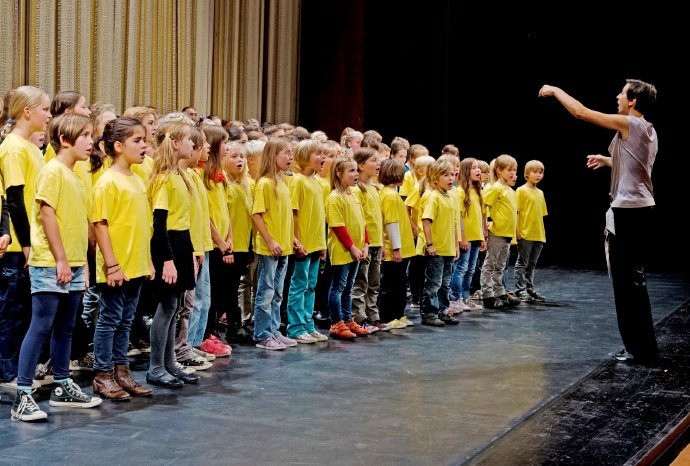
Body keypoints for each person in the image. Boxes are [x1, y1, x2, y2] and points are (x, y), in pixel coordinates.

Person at [539, 79, 660, 363]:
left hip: (629, 212)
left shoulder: (630, 123)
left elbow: (581, 112)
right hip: (637, 210)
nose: (617, 95)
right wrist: (607, 161)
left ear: (632, 101)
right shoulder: (648, 129)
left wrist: (556, 90)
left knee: (627, 283)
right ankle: (640, 347)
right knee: (631, 282)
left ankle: (641, 349)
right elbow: (638, 165)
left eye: (622, 93)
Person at [12, 114, 102, 421]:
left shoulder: (75, 175)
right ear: (65, 140)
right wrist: (62, 259)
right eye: (86, 135)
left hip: (74, 264)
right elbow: (47, 216)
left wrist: (83, 266)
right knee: (41, 326)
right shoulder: (52, 171)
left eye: (92, 135)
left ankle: (63, 383)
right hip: (51, 264)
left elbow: (78, 225)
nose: (92, 141)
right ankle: (23, 394)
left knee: (66, 327)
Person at [91, 117, 155, 400]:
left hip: (137, 264)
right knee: (110, 319)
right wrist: (112, 264)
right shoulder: (107, 182)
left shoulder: (138, 179)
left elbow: (143, 225)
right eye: (137, 141)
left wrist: (149, 260)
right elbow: (100, 224)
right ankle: (102, 375)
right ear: (118, 146)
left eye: (145, 140)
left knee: (126, 320)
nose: (144, 146)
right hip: (117, 266)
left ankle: (121, 370)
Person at [0, 86, 50, 390]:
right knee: (12, 310)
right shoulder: (14, 148)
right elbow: (15, 199)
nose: (49, 115)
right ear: (27, 112)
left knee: (24, 310)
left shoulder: (30, 147)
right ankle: (6, 371)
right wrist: (28, 242)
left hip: (32, 241)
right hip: (20, 245)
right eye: (44, 109)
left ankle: (18, 366)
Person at [145, 120, 200, 387]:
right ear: (175, 142)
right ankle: (156, 366)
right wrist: (167, 260)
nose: (193, 144)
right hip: (168, 245)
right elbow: (159, 224)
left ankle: (169, 363)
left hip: (181, 242)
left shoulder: (180, 175)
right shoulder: (165, 179)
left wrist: (188, 252)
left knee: (175, 306)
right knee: (166, 307)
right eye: (189, 139)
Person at [251, 137, 297, 350]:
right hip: (270, 247)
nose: (290, 157)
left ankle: (274, 330)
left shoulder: (283, 182)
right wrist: (270, 241)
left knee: (278, 292)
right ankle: (262, 334)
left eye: (291, 153)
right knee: (266, 291)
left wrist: (292, 239)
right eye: (286, 153)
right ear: (273, 156)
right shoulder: (265, 184)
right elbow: (257, 215)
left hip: (284, 246)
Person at [285, 139, 329, 343]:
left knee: (311, 286)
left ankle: (308, 324)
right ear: (304, 158)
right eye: (318, 154)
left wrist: (322, 245)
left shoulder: (317, 182)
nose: (323, 158)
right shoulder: (297, 181)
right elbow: (293, 213)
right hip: (303, 243)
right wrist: (296, 239)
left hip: (315, 242)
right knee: (299, 285)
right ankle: (295, 327)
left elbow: (320, 216)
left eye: (323, 154)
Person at [326, 157, 370, 339]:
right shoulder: (334, 197)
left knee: (349, 286)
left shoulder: (355, 194)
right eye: (351, 171)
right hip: (344, 250)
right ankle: (337, 323)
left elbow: (363, 222)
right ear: (338, 173)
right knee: (338, 287)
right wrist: (352, 247)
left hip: (357, 249)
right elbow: (338, 226)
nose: (355, 174)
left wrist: (365, 244)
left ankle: (348, 320)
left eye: (356, 170)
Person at [419, 159, 460, 327]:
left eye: (452, 174)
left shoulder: (451, 196)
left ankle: (443, 311)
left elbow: (455, 222)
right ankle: (429, 313)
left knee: (445, 284)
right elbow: (426, 221)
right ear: (435, 178)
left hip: (449, 248)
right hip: (437, 248)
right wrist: (430, 244)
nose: (451, 178)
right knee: (434, 283)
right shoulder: (433, 197)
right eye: (446, 175)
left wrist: (456, 245)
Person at [377, 159, 415, 329]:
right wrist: (396, 249)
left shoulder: (391, 193)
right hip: (395, 251)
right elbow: (391, 223)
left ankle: (398, 314)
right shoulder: (390, 196)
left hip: (402, 249)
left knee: (399, 284)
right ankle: (388, 317)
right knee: (390, 285)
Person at [480, 155, 522, 310]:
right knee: (490, 265)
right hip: (496, 232)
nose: (512, 173)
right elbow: (483, 205)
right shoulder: (495, 188)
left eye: (515, 170)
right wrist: (485, 226)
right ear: (499, 170)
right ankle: (488, 296)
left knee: (500, 266)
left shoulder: (509, 189)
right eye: (509, 170)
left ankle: (500, 292)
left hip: (507, 235)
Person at [351, 147, 385, 333]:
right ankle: (359, 317)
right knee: (361, 283)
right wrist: (364, 243)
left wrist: (382, 243)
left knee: (374, 283)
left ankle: (373, 315)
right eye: (374, 160)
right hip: (364, 244)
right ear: (362, 165)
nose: (378, 164)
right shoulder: (357, 190)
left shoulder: (374, 188)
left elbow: (377, 218)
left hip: (376, 243)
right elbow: (361, 219)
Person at [451, 158, 486, 311]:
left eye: (478, 168)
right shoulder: (459, 192)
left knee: (471, 269)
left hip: (477, 236)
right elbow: (458, 218)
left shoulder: (478, 192)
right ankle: (455, 298)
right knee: (461, 268)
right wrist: (462, 238)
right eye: (474, 168)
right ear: (466, 171)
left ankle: (465, 298)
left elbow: (481, 215)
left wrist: (483, 235)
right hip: (466, 238)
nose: (478, 171)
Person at [514, 160, 548, 303]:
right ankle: (520, 290)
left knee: (532, 264)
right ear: (527, 174)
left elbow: (540, 215)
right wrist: (517, 231)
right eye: (535, 172)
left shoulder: (540, 193)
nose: (538, 175)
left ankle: (529, 288)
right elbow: (515, 212)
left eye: (540, 172)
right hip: (525, 233)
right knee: (522, 262)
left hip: (538, 234)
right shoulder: (521, 191)